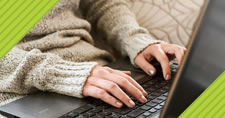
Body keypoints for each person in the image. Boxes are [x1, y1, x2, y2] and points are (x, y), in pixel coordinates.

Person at [0, 0, 186, 111]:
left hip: (100, 74)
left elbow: (101, 3)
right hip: (21, 95)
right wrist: (64, 74)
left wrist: (135, 40)